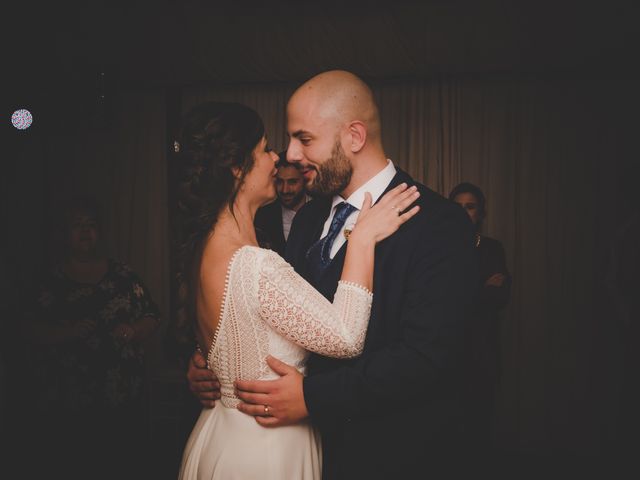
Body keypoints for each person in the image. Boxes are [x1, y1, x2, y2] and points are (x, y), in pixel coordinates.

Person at [187, 70, 477, 479]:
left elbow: (428, 357)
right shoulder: (309, 219)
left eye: (304, 139)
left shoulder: (437, 224)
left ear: (354, 137)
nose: (289, 155)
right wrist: (220, 359)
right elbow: (275, 317)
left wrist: (312, 397)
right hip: (299, 449)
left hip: (387, 454)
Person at [20, 195, 161, 479]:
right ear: (64, 233)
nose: (85, 231)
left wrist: (134, 330)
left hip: (122, 403)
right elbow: (29, 331)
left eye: (91, 224)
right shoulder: (50, 281)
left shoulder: (123, 275)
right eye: (77, 225)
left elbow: (152, 316)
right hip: (69, 405)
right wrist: (67, 333)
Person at [449, 182, 511, 465]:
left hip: (482, 352)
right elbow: (444, 303)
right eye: (458, 207)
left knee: (480, 428)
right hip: (446, 355)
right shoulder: (439, 250)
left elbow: (499, 298)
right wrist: (480, 288)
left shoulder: (492, 248)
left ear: (481, 213)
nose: (463, 213)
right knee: (448, 431)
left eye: (470, 207)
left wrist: (468, 294)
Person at [254, 151, 309, 256]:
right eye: (279, 182)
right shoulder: (262, 217)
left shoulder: (322, 213)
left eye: (292, 182)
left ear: (305, 180)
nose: (285, 190)